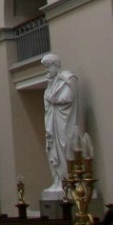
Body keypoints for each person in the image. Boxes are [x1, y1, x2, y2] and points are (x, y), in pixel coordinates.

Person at [41, 53, 80, 192]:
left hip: (63, 121)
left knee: (64, 147)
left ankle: (68, 179)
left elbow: (67, 98)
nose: (47, 71)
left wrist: (52, 97)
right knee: (52, 149)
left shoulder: (68, 78)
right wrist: (50, 85)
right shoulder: (53, 81)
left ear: (55, 65)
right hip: (53, 121)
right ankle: (58, 179)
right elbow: (47, 99)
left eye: (48, 67)